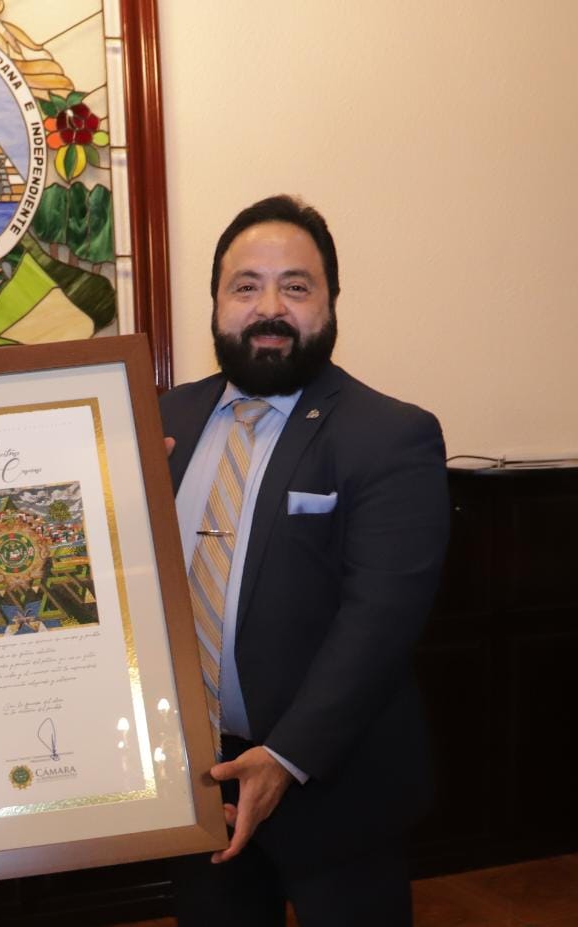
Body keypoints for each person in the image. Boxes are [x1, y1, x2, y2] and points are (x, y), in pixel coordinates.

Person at [160, 195, 449, 926]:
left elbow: (379, 621)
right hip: (199, 788)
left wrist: (284, 756)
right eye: (246, 285)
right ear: (217, 303)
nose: (270, 307)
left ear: (330, 304)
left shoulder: (391, 435)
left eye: (296, 286)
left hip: (336, 791)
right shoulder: (158, 421)